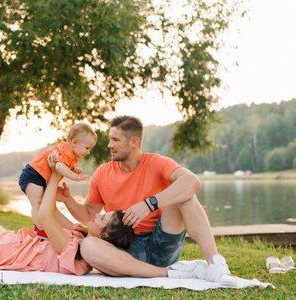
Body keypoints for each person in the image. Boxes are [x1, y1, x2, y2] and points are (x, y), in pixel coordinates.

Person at [56, 115, 238, 286]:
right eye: (110, 139)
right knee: (88, 245)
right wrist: (67, 200)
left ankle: (215, 264)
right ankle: (168, 273)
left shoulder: (156, 162)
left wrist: (148, 204)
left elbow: (192, 181)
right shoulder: (103, 172)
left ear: (134, 142)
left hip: (161, 242)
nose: (109, 145)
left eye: (116, 140)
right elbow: (89, 215)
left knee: (185, 194)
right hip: (122, 250)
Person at [0, 151, 142, 275]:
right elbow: (45, 210)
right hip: (11, 243)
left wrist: (53, 176)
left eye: (102, 218)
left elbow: (44, 217)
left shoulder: (75, 251)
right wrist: (60, 195)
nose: (97, 215)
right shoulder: (79, 234)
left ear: (105, 235)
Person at [18, 123, 97, 238]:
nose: (88, 152)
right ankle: (41, 228)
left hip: (42, 178)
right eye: (87, 148)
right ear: (74, 142)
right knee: (37, 203)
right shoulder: (65, 150)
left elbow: (63, 166)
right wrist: (74, 177)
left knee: (48, 204)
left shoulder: (72, 157)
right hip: (33, 175)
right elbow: (59, 167)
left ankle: (47, 227)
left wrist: (73, 170)